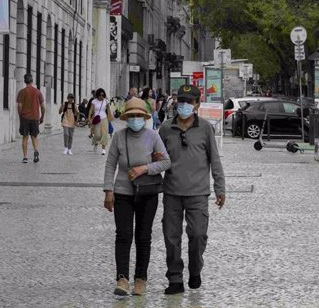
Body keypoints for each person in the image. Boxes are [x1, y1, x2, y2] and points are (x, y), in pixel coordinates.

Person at [158, 84, 226, 294]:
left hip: (198, 193)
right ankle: (175, 278)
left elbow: (214, 159)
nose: (184, 105)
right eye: (181, 101)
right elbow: (156, 158)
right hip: (172, 192)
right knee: (171, 237)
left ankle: (195, 270)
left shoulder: (205, 128)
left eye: (189, 102)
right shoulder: (166, 128)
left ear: (197, 104)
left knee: (197, 235)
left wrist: (219, 187)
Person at [103, 98, 171, 296]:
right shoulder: (119, 136)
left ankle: (140, 279)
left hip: (147, 192)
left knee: (143, 236)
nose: (135, 119)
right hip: (123, 192)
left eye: (138, 116)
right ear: (126, 118)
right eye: (131, 116)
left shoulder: (153, 136)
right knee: (123, 235)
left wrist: (145, 168)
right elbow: (110, 164)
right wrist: (108, 190)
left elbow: (166, 162)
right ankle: (122, 278)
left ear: (144, 117)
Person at [16, 74, 46, 163]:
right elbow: (43, 107)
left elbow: (19, 106)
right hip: (35, 117)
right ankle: (36, 150)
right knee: (34, 136)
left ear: (24, 81)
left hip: (25, 117)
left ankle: (25, 157)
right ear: (32, 81)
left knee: (25, 137)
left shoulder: (22, 92)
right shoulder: (38, 92)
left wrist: (20, 116)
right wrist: (42, 117)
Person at [89, 88, 111, 155]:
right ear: (97, 95)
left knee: (104, 134)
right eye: (100, 95)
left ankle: (103, 149)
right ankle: (96, 142)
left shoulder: (106, 101)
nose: (101, 97)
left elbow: (109, 110)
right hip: (96, 119)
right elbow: (90, 110)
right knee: (97, 135)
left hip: (104, 118)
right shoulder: (94, 101)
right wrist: (89, 119)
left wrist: (110, 119)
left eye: (103, 95)